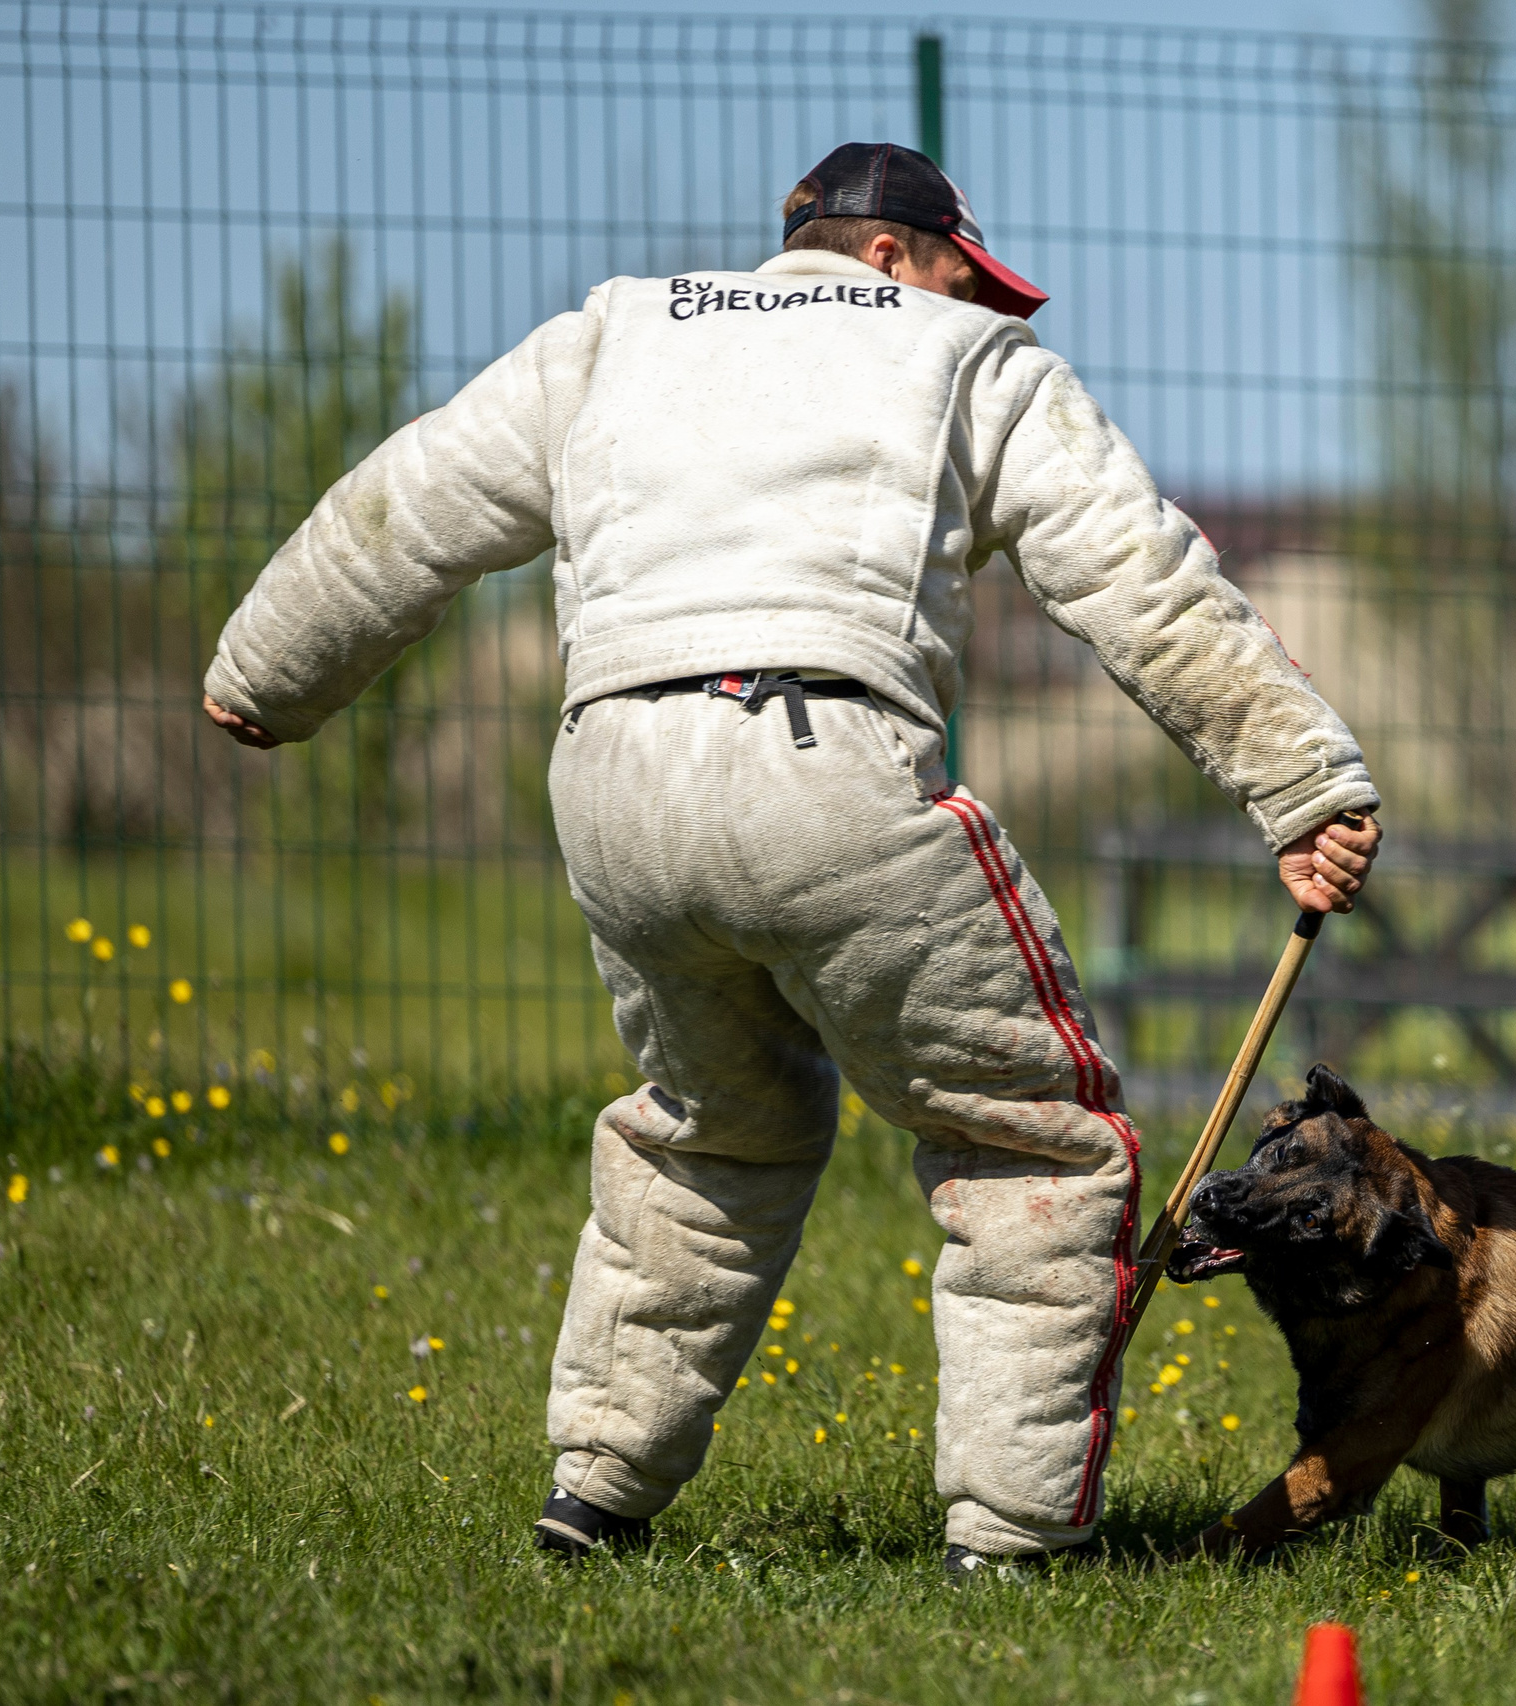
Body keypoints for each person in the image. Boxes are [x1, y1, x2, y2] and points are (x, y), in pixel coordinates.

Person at [200, 142, 1382, 1580]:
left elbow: (412, 504)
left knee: (709, 1128)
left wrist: (267, 671)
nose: (989, 308)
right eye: (970, 275)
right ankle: (1013, 1534)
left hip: (614, 784)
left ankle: (596, 1486)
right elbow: (1140, 578)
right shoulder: (965, 364)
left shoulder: (609, 335)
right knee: (1036, 1139)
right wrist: (1302, 781)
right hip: (828, 758)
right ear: (893, 257)